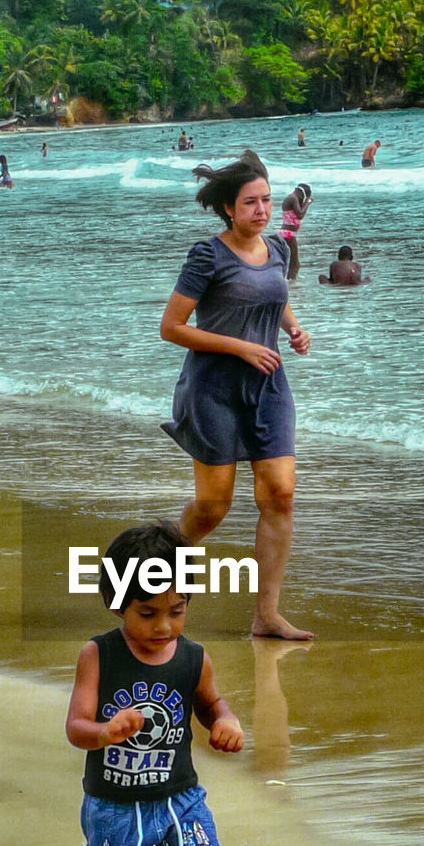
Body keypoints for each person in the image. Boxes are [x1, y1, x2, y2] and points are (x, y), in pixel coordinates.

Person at [66, 522, 243, 846]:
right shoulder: (98, 655)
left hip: (179, 800)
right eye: (147, 613)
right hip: (113, 806)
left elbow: (210, 703)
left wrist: (225, 721)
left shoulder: (193, 658)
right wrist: (104, 731)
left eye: (177, 611)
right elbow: (76, 726)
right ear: (117, 602)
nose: (164, 625)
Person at [159, 149, 313, 641]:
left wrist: (292, 328)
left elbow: (275, 295)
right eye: (251, 203)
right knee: (213, 507)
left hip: (267, 387)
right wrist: (242, 347)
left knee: (280, 496)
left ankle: (267, 616)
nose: (262, 210)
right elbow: (172, 328)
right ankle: (150, 575)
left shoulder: (280, 250)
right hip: (213, 389)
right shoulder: (208, 255)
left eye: (267, 200)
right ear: (229, 207)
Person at [279, 182, 312, 282]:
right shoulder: (293, 198)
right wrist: (308, 202)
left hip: (287, 233)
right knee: (294, 263)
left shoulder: (292, 198)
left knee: (292, 261)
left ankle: (289, 281)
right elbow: (300, 214)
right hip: (288, 233)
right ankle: (291, 284)